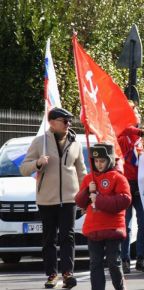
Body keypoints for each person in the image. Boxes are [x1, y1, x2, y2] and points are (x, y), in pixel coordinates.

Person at [20, 107, 86, 289]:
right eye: (65, 121)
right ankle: (51, 274)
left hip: (70, 198)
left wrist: (85, 195)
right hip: (47, 199)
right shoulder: (39, 142)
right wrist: (38, 163)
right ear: (52, 122)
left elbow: (82, 172)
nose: (68, 124)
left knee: (68, 237)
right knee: (49, 238)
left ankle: (67, 274)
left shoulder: (76, 143)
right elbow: (24, 168)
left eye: (70, 121)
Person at [75, 143, 131, 290]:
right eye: (96, 161)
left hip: (113, 228)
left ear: (110, 160)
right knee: (95, 264)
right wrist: (87, 190)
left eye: (102, 161)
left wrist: (99, 200)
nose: (99, 164)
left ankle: (120, 287)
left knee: (113, 263)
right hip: (94, 228)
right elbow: (79, 201)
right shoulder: (89, 179)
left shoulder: (118, 178)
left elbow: (125, 200)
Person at [119, 102, 144, 273]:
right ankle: (124, 259)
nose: (135, 115)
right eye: (131, 112)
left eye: (136, 112)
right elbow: (120, 131)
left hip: (142, 184)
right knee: (126, 224)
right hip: (125, 184)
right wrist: (137, 131)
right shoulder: (122, 134)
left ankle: (141, 258)